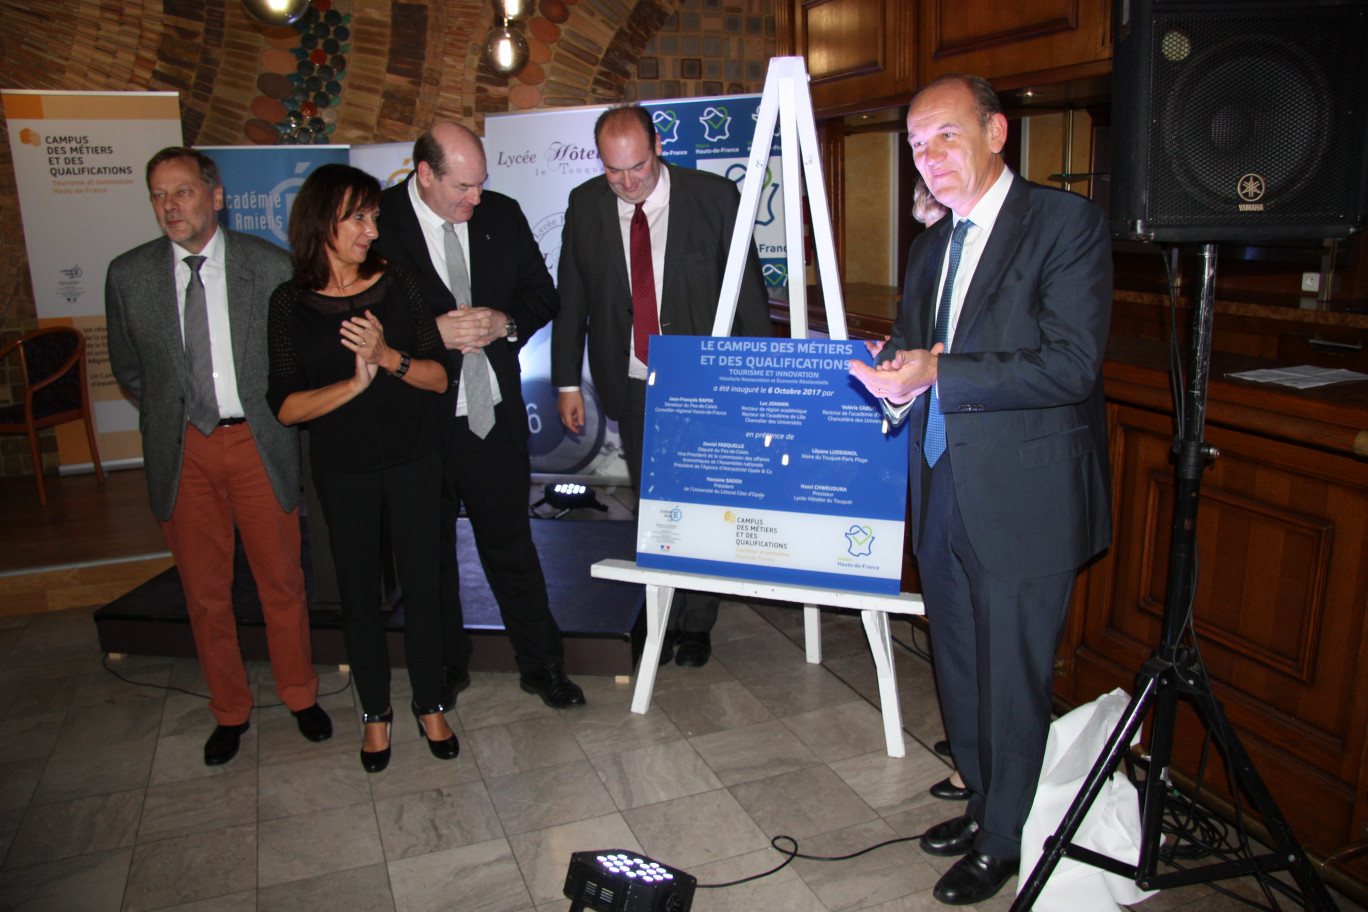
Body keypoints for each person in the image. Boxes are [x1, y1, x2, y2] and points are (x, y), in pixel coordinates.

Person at [849, 73, 1113, 905]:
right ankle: (980, 794)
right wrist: (896, 367)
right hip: (943, 483)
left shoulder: (1067, 225)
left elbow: (1070, 366)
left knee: (1013, 673)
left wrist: (939, 370)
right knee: (957, 660)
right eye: (916, 146)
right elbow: (923, 346)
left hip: (1025, 494)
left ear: (998, 132)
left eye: (946, 137)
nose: (928, 160)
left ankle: (1006, 837)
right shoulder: (932, 246)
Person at [105, 147, 332, 766]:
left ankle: (299, 695)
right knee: (205, 595)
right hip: (184, 451)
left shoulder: (270, 268)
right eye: (158, 195)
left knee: (281, 582)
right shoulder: (128, 276)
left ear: (216, 196)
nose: (170, 206)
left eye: (181, 192)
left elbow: (298, 358)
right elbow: (131, 369)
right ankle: (229, 712)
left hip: (258, 442)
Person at [373, 122, 585, 709]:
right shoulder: (377, 222)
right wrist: (429, 333)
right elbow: (357, 315)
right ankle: (445, 667)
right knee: (429, 555)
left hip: (490, 415)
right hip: (418, 420)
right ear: (424, 175)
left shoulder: (502, 214)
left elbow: (543, 294)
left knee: (512, 546)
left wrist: (504, 324)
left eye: (481, 185)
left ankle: (542, 666)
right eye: (462, 187)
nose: (475, 198)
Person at [552, 104, 771, 668]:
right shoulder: (585, 205)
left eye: (638, 168)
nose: (627, 183)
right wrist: (565, 384)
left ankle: (696, 621)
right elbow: (571, 297)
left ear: (657, 146)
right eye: (614, 172)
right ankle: (662, 610)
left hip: (702, 379)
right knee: (656, 505)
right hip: (631, 380)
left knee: (704, 502)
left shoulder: (714, 198)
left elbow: (747, 292)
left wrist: (755, 381)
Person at [267, 164, 454, 773]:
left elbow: (437, 376)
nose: (372, 230)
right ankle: (376, 714)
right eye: (359, 217)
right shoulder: (289, 303)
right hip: (343, 468)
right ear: (323, 219)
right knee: (357, 597)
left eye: (375, 216)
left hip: (415, 459)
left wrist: (385, 356)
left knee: (425, 587)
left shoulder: (396, 282)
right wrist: (353, 383)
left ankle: (430, 702)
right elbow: (288, 407)